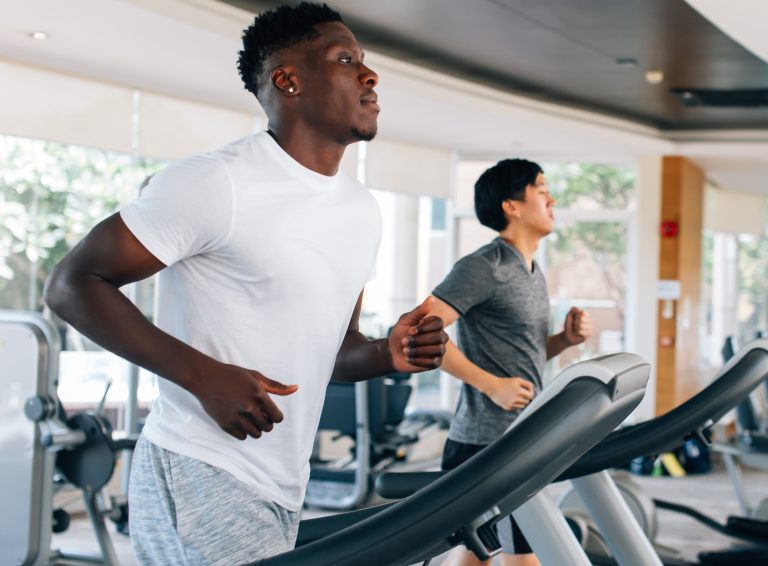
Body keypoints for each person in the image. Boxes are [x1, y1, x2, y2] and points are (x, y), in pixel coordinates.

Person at [44, 3, 448, 564]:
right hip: (200, 465)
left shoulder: (361, 210)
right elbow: (72, 284)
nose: (369, 74)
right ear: (288, 80)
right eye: (346, 59)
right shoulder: (215, 182)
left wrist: (387, 353)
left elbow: (331, 352)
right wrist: (203, 376)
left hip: (282, 479)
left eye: (365, 62)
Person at [421, 158, 594, 566]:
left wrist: (564, 340)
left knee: (494, 557)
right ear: (511, 206)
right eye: (541, 189)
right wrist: (489, 384)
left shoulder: (532, 271)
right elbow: (420, 333)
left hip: (521, 435)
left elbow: (524, 352)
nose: (552, 198)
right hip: (484, 442)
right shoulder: (484, 267)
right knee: (502, 557)